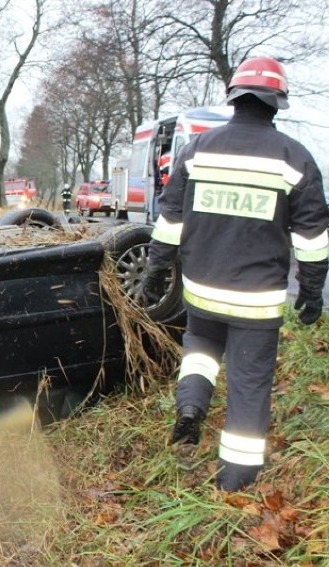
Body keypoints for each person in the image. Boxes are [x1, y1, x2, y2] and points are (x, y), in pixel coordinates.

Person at [142, 56, 329, 491]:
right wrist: (312, 292)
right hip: (256, 303)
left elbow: (170, 218)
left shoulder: (197, 150)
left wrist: (156, 267)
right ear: (277, 102)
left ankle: (190, 407)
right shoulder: (295, 158)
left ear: (235, 98)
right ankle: (236, 479)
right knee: (248, 382)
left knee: (200, 347)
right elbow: (312, 238)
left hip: (201, 290)